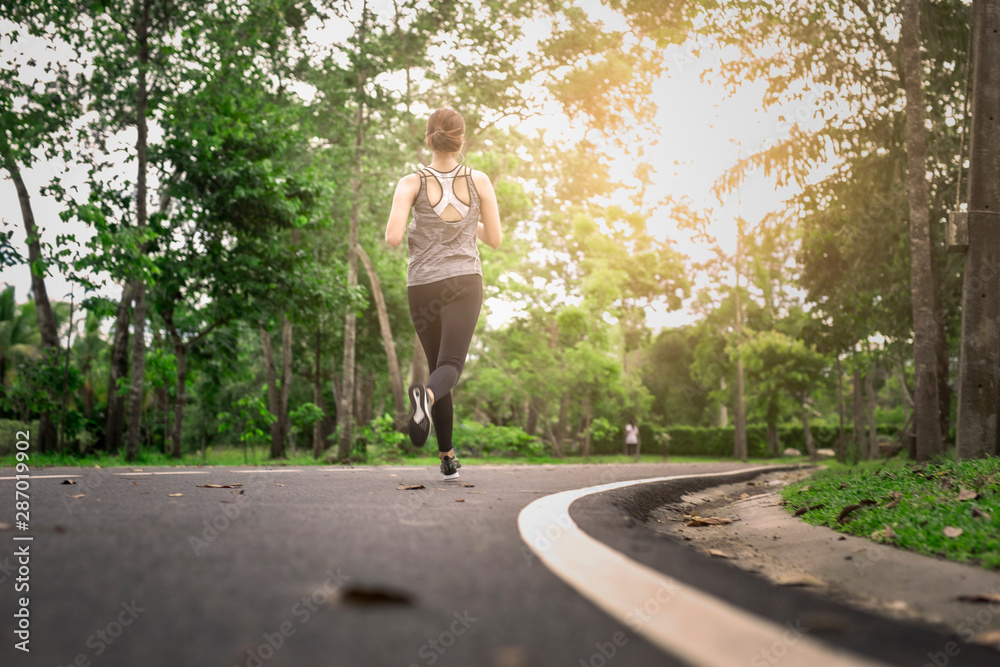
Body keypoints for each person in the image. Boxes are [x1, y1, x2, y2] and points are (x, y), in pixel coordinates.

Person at [384, 108, 502, 480]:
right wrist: (470, 221)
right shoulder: (478, 180)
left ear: (428, 138)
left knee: (438, 370)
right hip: (464, 280)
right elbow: (495, 240)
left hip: (422, 284)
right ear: (460, 139)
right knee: (449, 368)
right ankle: (427, 397)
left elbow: (393, 237)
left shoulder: (410, 182)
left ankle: (447, 455)